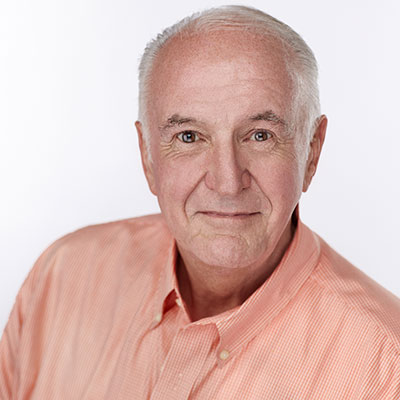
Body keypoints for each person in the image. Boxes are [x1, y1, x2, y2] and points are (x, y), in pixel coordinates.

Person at [1, 5, 399, 399]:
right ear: (147, 156)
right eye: (189, 137)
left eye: (260, 135)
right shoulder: (62, 276)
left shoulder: (385, 367)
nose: (227, 183)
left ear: (311, 152)